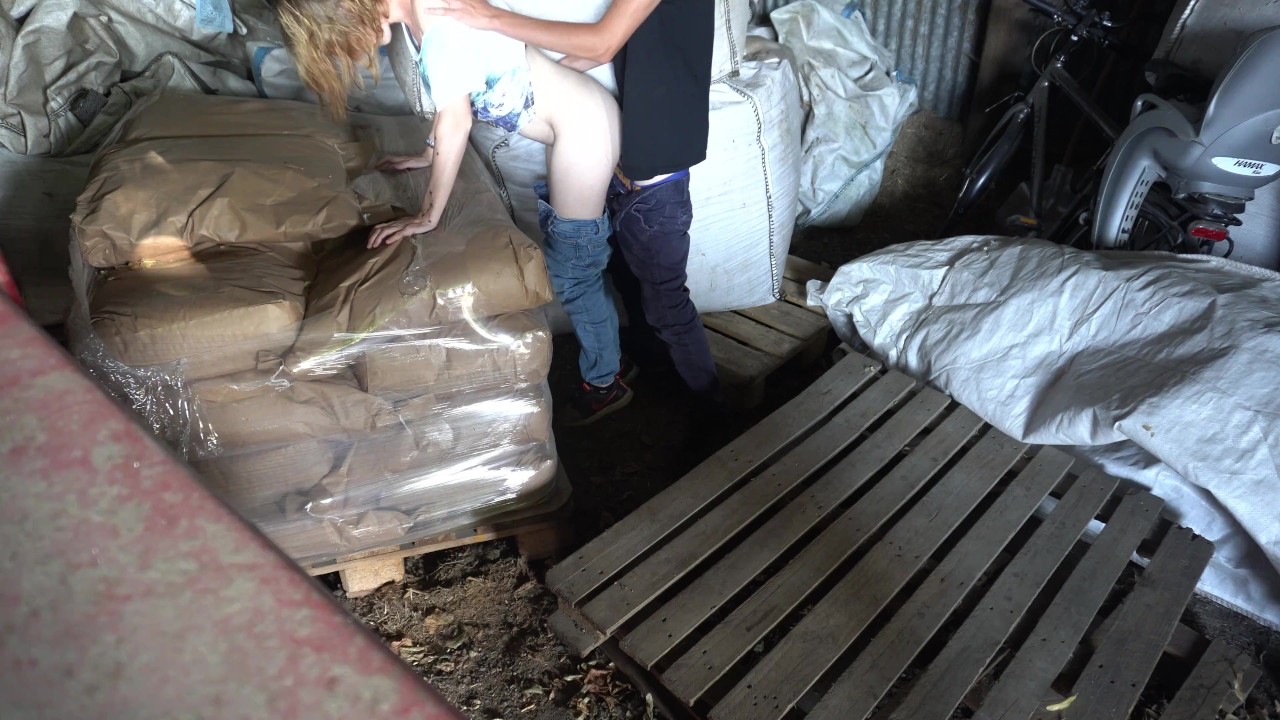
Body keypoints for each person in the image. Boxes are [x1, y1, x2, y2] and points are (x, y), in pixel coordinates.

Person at [276, 0, 635, 425]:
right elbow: (452, 99)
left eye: (341, 42)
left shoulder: (437, 24)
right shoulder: (424, 16)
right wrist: (429, 154)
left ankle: (606, 382)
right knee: (574, 262)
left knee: (574, 270)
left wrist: (427, 215)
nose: (356, 51)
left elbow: (457, 120)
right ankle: (611, 355)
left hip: (584, 129)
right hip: (575, 124)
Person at [425, 0, 724, 413]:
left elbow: (602, 44)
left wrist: (490, 18)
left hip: (655, 185)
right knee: (625, 280)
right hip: (625, 165)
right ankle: (648, 372)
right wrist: (547, 86)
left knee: (666, 303)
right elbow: (606, 49)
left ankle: (710, 405)